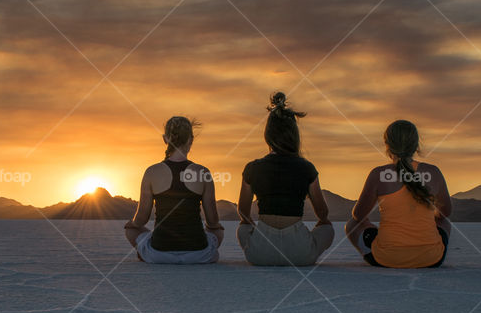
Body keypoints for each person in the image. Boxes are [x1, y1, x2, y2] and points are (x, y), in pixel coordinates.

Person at [236, 92, 333, 266]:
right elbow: (323, 214)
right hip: (299, 253)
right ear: (294, 135)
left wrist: (257, 230)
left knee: (242, 229)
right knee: (328, 229)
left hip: (261, 253)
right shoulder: (306, 168)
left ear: (268, 135)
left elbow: (243, 213)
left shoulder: (252, 168)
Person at [346, 120, 452, 268]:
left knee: (352, 224)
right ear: (416, 145)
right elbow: (445, 213)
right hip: (431, 259)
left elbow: (358, 216)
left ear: (387, 145)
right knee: (443, 222)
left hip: (387, 258)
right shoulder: (433, 172)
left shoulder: (379, 174)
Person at [124, 116, 224, 264]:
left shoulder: (151, 172)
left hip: (159, 254)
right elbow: (213, 220)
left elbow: (141, 220)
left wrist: (131, 224)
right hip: (198, 254)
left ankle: (144, 253)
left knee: (131, 230)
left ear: (165, 139)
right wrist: (214, 227)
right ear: (191, 139)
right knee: (218, 231)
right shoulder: (203, 172)